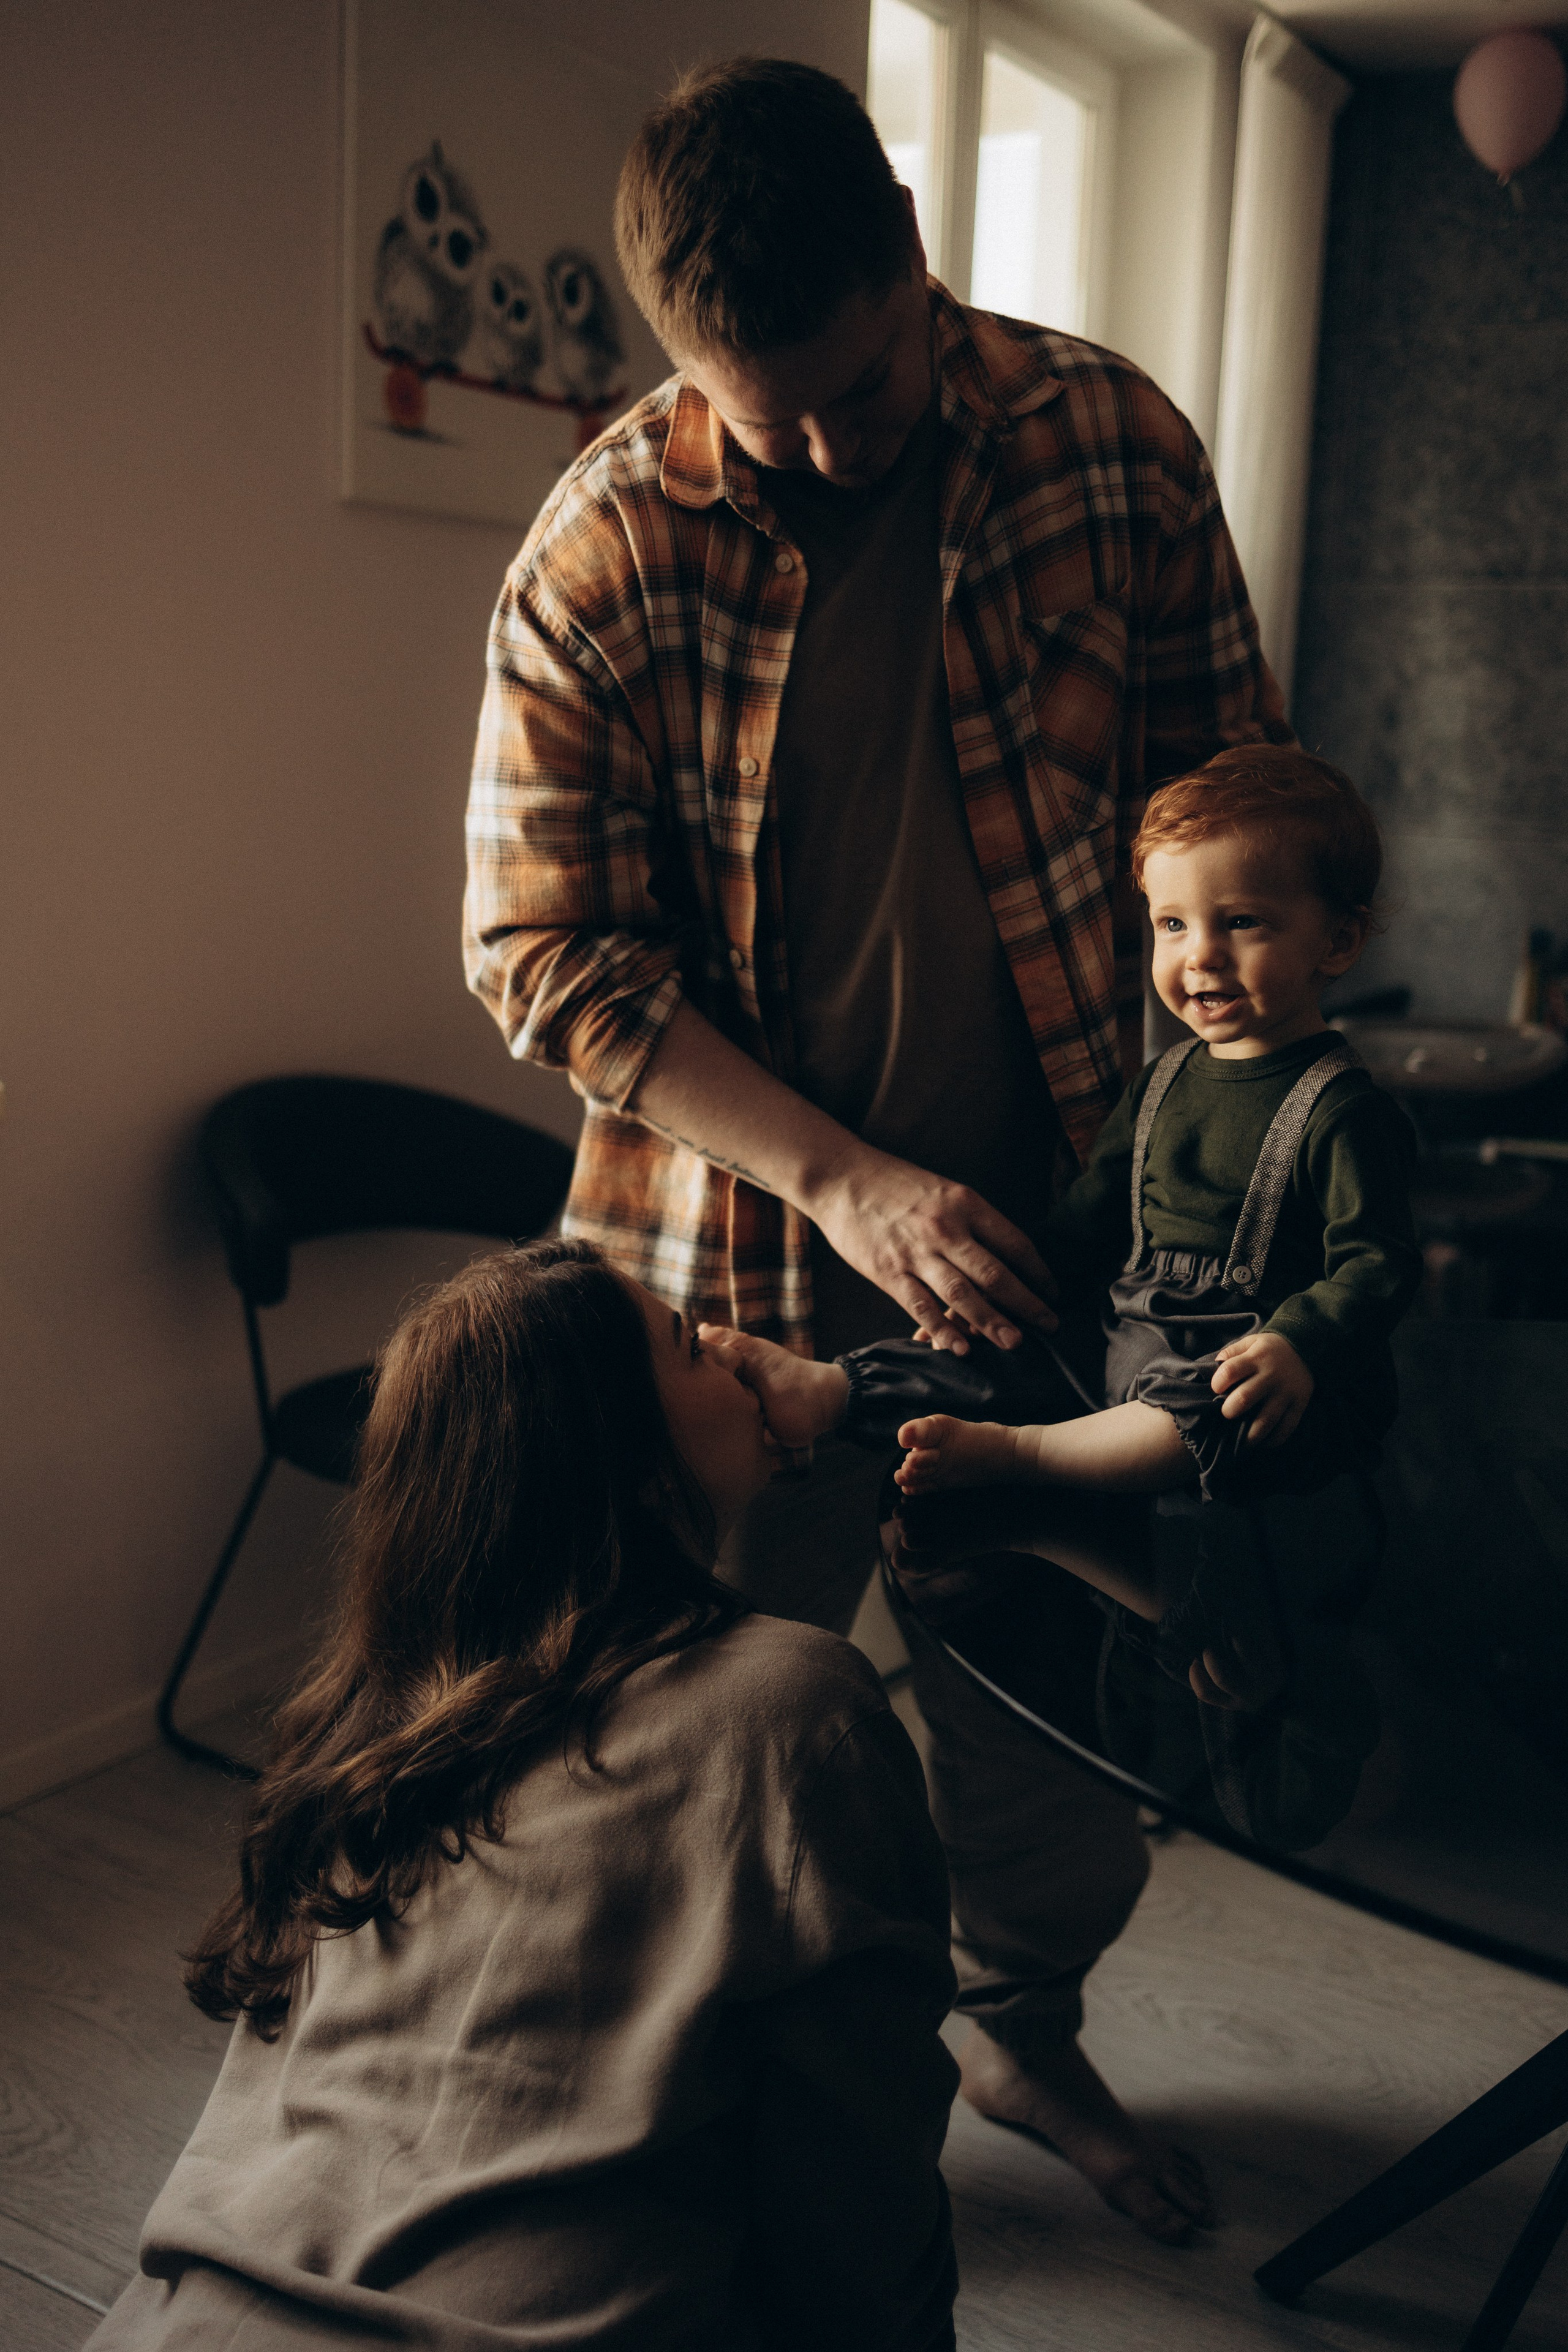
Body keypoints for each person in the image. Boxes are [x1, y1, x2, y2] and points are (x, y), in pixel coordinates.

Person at [464, 56, 1289, 2241]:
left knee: (1057, 1777)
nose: (827, 451)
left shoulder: (1115, 446)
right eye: (766, 418)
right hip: (722, 1294)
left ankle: (1021, 2040)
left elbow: (1241, 830)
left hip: (1060, 1280)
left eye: (855, 388)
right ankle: (671, 2131)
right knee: (673, 1760)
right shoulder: (601, 546)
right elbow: (539, 953)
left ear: (914, 243)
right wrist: (844, 1183)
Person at [86, 1244, 959, 2352]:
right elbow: (859, 2184)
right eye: (692, 1346)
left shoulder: (372, 1720)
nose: (740, 1351)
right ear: (630, 1460)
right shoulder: (794, 1706)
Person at [894, 746, 1422, 1708]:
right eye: (1172, 924)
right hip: (1133, 1352)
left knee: (1212, 1407)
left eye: (1243, 923)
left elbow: (1378, 1263)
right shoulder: (1165, 1081)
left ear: (1336, 943)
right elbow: (1091, 1221)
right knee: (980, 1341)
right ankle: (830, 1387)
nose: (1198, 956)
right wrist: (1004, 1291)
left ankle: (1030, 1461)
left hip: (1262, 1396)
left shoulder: (1344, 1111)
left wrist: (1299, 1344)